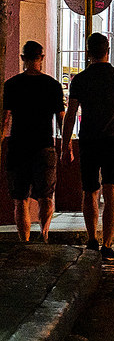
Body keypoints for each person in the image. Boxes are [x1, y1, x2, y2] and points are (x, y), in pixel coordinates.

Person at [61, 33, 114, 261]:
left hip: (89, 140)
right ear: (108, 51)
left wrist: (65, 145)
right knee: (111, 193)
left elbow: (70, 114)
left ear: (88, 52)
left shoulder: (80, 80)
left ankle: (92, 239)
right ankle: (107, 244)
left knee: (89, 191)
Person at [1, 41, 64, 243]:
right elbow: (61, 119)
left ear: (22, 58)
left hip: (18, 147)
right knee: (46, 197)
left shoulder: (11, 85)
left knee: (21, 199)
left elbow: (5, 119)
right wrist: (67, 145)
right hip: (44, 146)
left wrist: (1, 141)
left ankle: (24, 241)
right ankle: (44, 235)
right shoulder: (53, 86)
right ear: (42, 58)